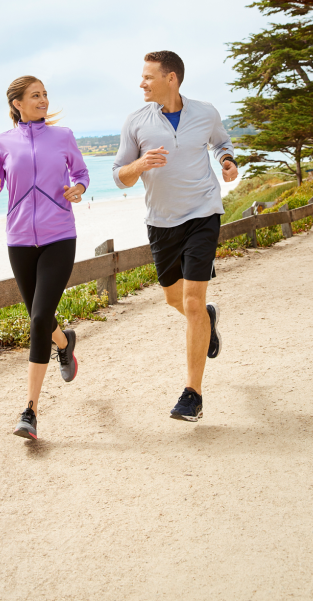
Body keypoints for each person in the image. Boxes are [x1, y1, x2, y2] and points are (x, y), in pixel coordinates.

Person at [113, 51, 238, 422]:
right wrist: (140, 164)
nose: (141, 84)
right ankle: (206, 322)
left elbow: (221, 143)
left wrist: (228, 162)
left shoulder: (206, 112)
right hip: (161, 222)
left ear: (171, 78)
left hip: (203, 214)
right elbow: (120, 175)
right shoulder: (136, 122)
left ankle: (192, 395)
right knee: (175, 300)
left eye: (148, 77)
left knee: (194, 302)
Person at [0, 76, 90, 440]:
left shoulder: (63, 136)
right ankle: (64, 342)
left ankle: (30, 412)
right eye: (35, 96)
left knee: (40, 317)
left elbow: (82, 173)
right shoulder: (2, 143)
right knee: (38, 318)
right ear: (17, 104)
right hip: (20, 240)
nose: (43, 100)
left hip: (59, 235)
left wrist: (78, 188)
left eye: (44, 94)